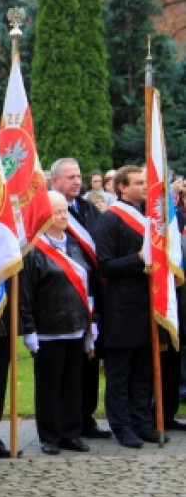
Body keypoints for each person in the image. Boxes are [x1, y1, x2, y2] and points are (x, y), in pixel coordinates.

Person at [20, 191, 93, 455]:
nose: (63, 216)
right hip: (48, 328)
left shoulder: (73, 244)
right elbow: (25, 294)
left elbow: (86, 284)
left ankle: (71, 433)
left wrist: (91, 322)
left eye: (64, 211)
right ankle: (49, 435)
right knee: (49, 386)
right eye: (57, 212)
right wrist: (29, 329)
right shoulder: (33, 249)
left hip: (76, 326)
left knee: (73, 384)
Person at [96, 165, 163, 448]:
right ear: (122, 187)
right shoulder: (110, 220)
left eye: (145, 182)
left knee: (142, 371)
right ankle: (122, 426)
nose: (145, 186)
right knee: (120, 372)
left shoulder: (148, 216)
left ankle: (142, 422)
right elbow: (105, 265)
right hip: (121, 309)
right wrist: (138, 258)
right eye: (138, 182)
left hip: (147, 305)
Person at [50, 157, 111, 438]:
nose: (77, 181)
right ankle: (60, 425)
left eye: (78, 176)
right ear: (55, 181)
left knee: (88, 362)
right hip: (61, 296)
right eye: (70, 177)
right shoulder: (46, 208)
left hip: (91, 295)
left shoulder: (88, 208)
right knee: (62, 370)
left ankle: (85, 419)